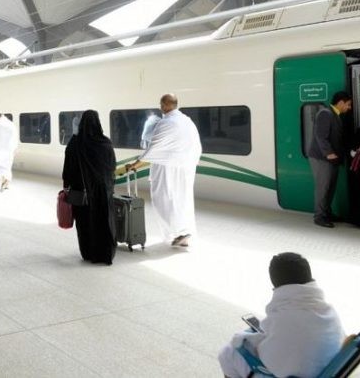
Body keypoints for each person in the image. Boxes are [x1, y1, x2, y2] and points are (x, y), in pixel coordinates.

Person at [218, 252, 344, 378]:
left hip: (296, 374)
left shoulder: (285, 318)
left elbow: (270, 361)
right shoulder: (329, 312)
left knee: (227, 353)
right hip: (324, 369)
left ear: (276, 286)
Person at [126, 94, 201, 247]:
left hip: (167, 170)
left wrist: (135, 165)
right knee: (182, 200)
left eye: (161, 104)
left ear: (166, 105)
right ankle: (183, 231)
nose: (160, 107)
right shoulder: (187, 121)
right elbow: (197, 146)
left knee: (162, 200)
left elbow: (153, 149)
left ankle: (179, 232)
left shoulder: (166, 123)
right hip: (186, 169)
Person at [62, 110, 117, 265]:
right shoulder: (105, 143)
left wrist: (66, 185)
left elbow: (68, 168)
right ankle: (105, 254)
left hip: (82, 191)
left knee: (85, 222)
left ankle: (88, 253)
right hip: (103, 191)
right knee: (104, 220)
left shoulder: (75, 143)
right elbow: (112, 167)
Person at [308, 91, 352, 228]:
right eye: (348, 104)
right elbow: (320, 136)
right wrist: (329, 154)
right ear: (341, 102)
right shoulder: (325, 113)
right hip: (322, 158)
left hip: (332, 159)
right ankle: (319, 216)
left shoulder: (335, 115)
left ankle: (327, 212)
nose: (349, 107)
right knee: (323, 187)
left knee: (330, 187)